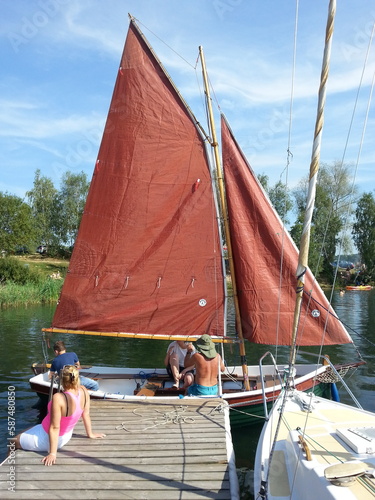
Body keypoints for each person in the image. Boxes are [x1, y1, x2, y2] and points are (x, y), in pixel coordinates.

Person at [12, 365, 105, 466]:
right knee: (23, 432)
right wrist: (90, 434)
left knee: (12, 442)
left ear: (62, 380)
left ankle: (8, 468)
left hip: (47, 438)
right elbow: (86, 414)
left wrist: (52, 453)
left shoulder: (59, 398)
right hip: (65, 435)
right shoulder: (83, 390)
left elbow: (55, 427)